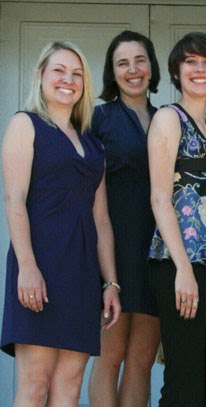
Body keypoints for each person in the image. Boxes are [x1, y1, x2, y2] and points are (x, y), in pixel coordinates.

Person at [0, 41, 120, 407]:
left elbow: (102, 220)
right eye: (59, 70)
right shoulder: (26, 124)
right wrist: (27, 268)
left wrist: (111, 283)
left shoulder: (93, 145)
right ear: (40, 75)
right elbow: (14, 200)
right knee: (35, 385)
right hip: (39, 265)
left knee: (69, 388)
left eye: (77, 74)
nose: (68, 80)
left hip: (81, 274)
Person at [147, 32, 206, 406]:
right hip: (181, 264)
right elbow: (159, 197)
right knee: (184, 384)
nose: (200, 69)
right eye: (191, 62)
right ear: (176, 71)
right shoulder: (169, 119)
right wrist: (183, 269)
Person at [87, 31, 160, 407]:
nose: (133, 70)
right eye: (122, 63)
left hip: (157, 251)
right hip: (113, 249)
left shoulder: (168, 118)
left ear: (152, 66)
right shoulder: (98, 118)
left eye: (140, 60)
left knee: (141, 361)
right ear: (111, 72)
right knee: (110, 356)